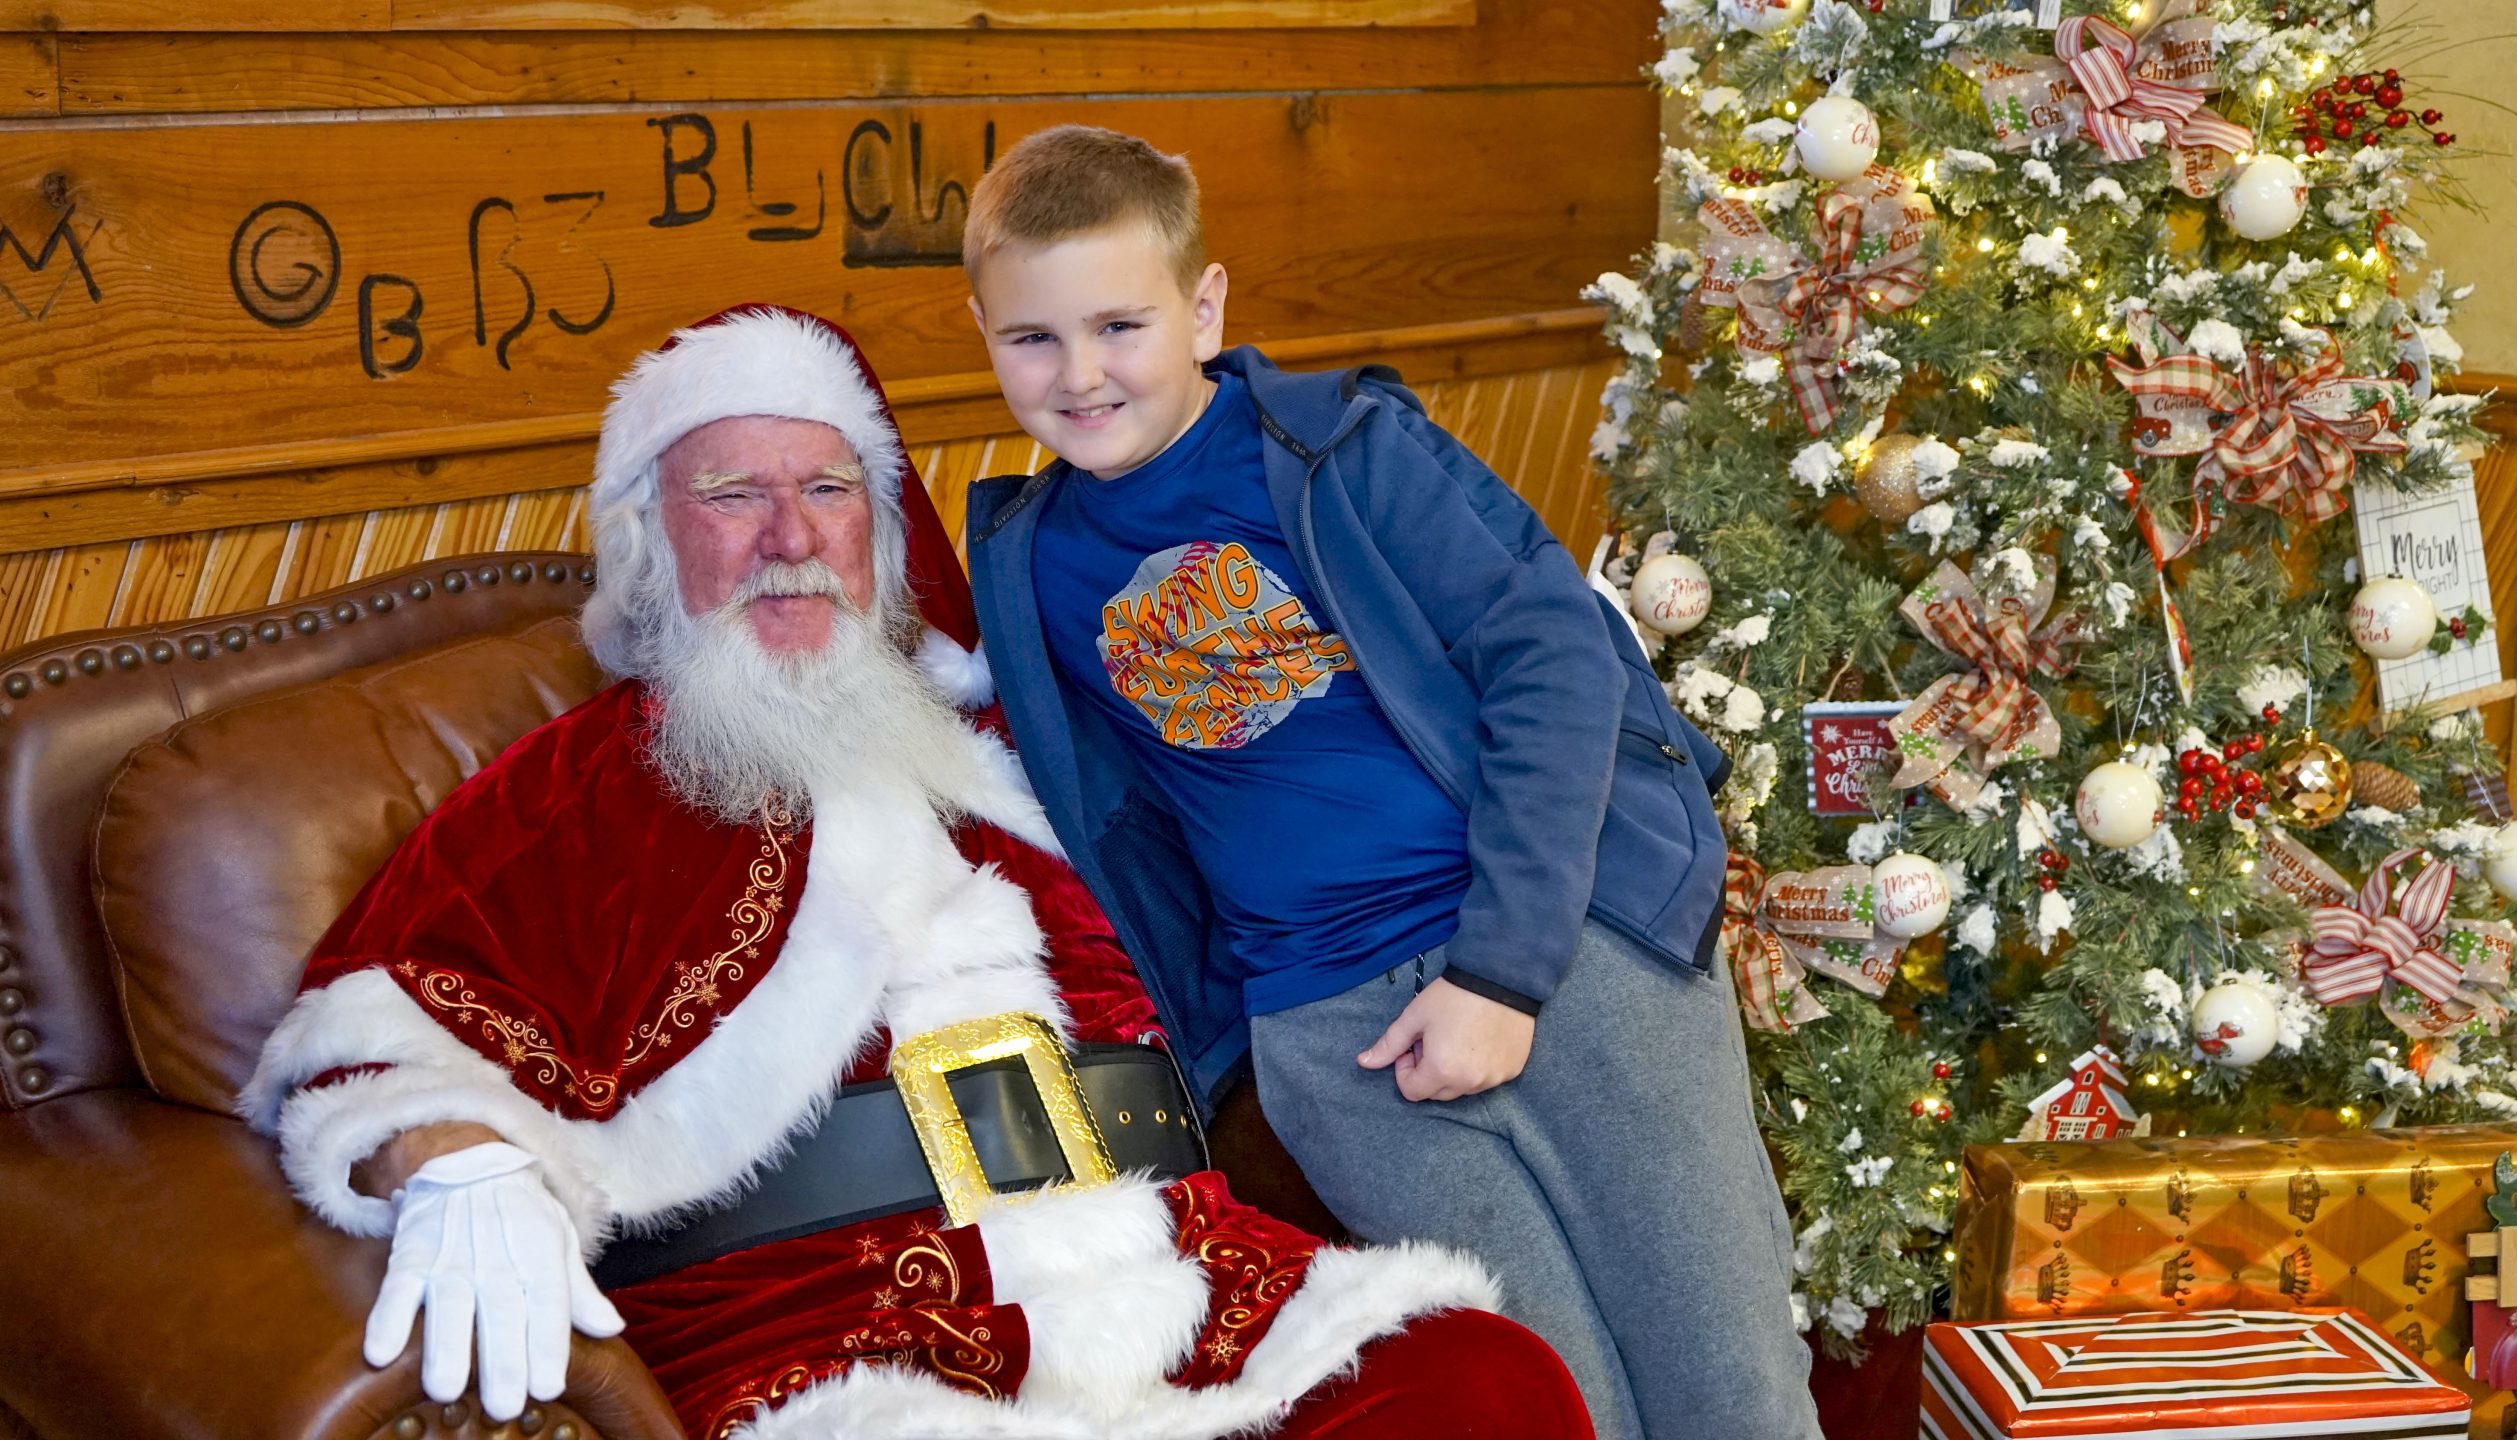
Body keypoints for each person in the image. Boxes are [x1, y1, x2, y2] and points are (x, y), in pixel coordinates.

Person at [241, 304, 1595, 1440]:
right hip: (832, 1341)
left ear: (880, 540)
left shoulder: (1019, 746)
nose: (789, 536)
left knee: (1481, 1383)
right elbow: (373, 1035)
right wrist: (455, 1168)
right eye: (733, 495)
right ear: (653, 543)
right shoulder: (580, 789)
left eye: (827, 491)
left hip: (1183, 1285)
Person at [961, 126, 1821, 1440]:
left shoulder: (1342, 452)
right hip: (1337, 1042)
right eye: (1033, 338)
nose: (1079, 374)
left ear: (1204, 308)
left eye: (1120, 326)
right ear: (983, 332)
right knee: (1548, 1407)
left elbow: (1557, 662)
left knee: (1730, 1388)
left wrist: (1501, 976)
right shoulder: (1031, 567)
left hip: (1561, 953)